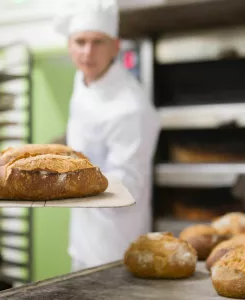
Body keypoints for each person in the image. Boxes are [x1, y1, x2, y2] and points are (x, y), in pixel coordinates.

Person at [54, 0, 160, 272]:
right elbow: (86, 134)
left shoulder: (130, 107)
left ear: (115, 46)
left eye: (98, 42)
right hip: (82, 239)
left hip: (116, 247)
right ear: (69, 45)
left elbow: (128, 188)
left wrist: (61, 181)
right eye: (80, 41)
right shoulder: (84, 81)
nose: (87, 52)